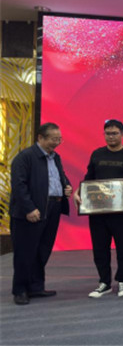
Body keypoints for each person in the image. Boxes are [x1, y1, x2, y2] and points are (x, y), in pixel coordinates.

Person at [73, 120, 123, 298]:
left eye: (114, 133)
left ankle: (122, 281)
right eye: (108, 133)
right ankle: (104, 282)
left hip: (121, 211)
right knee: (99, 247)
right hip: (98, 210)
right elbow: (88, 178)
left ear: (122, 134)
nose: (111, 137)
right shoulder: (97, 154)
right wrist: (77, 192)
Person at [10, 122, 72, 305]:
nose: (57, 143)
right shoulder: (25, 157)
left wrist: (66, 186)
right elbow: (19, 186)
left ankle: (36, 287)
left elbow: (58, 176)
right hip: (31, 211)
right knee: (25, 251)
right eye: (53, 139)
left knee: (43, 249)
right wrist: (29, 208)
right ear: (40, 138)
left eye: (59, 139)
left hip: (52, 208)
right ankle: (20, 290)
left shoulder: (55, 157)